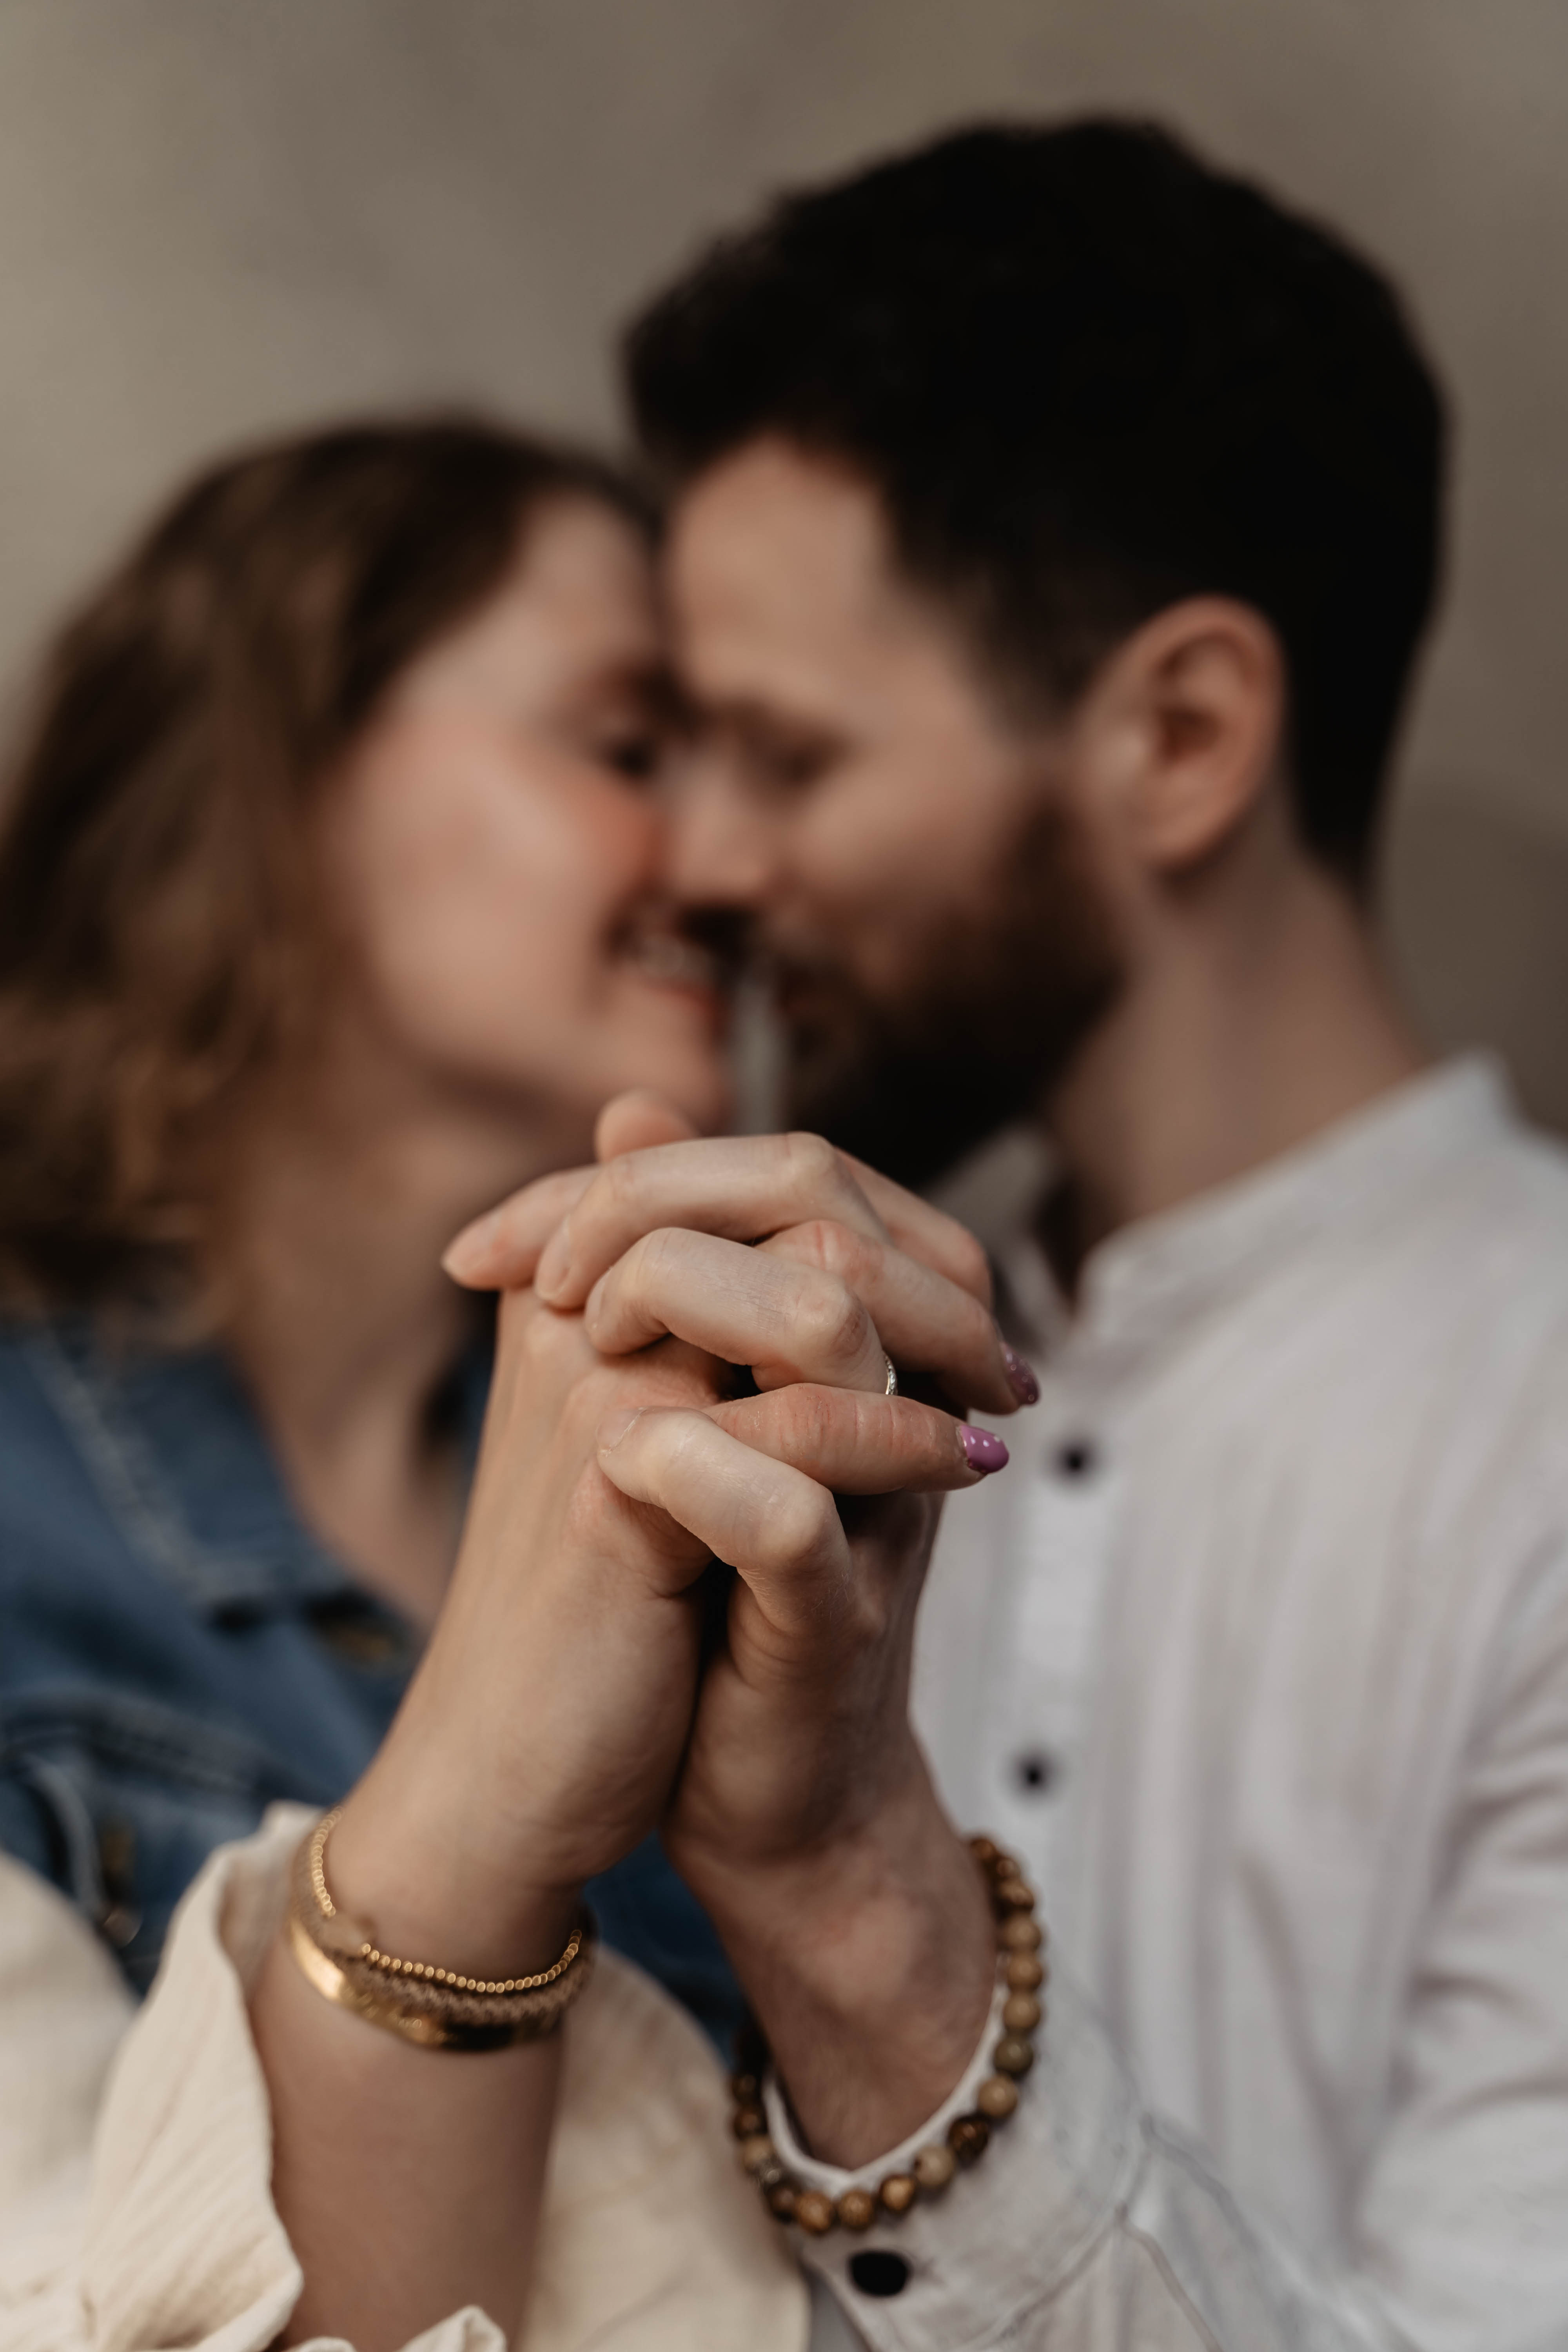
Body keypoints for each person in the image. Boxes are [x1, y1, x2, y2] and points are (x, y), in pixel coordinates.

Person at [452, 118, 1568, 2345]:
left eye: (785, 755)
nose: (699, 863)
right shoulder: (781, 1376)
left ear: (1183, 736)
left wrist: (859, 1908)